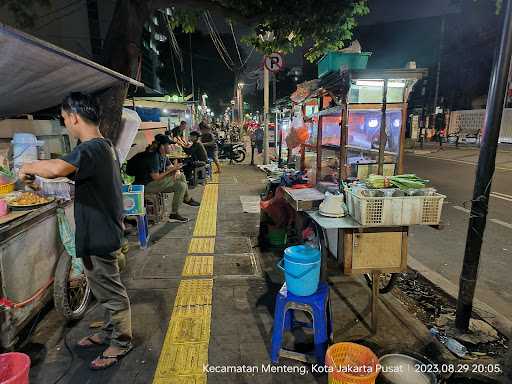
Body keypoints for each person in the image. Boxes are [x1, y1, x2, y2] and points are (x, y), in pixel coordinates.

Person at [19, 92, 132, 370]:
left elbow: (57, 168)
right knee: (103, 289)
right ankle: (109, 331)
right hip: (101, 232)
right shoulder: (103, 147)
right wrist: (41, 183)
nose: (65, 123)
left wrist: (29, 166)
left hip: (100, 236)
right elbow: (68, 179)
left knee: (112, 293)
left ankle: (122, 341)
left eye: (64, 118)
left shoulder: (91, 148)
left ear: (73, 117)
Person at [132, 134, 200, 222]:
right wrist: (173, 170)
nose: (171, 147)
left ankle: (176, 211)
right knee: (181, 182)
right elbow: (156, 177)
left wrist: (176, 170)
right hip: (146, 186)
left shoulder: (163, 156)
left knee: (181, 183)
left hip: (155, 183)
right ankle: (184, 202)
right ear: (162, 146)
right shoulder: (154, 157)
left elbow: (171, 167)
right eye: (169, 145)